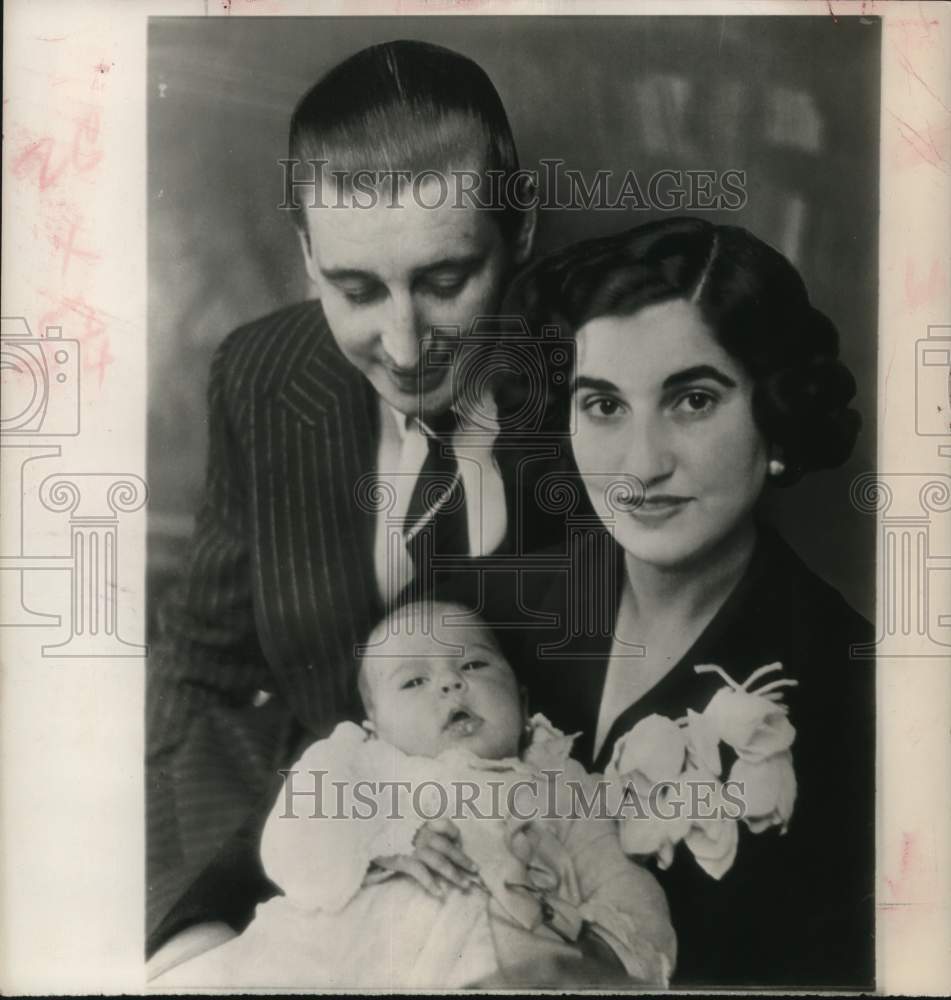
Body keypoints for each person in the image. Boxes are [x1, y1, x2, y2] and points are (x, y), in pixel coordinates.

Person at [146, 39, 546, 958]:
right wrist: (181, 914)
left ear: (520, 230)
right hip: (291, 879)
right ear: (305, 254)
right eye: (355, 289)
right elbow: (199, 668)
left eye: (445, 282)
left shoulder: (605, 397)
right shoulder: (262, 374)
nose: (404, 348)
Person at [487, 217, 875, 988]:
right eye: (603, 405)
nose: (641, 464)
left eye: (692, 400)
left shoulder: (860, 691)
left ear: (775, 415)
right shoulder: (489, 612)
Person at [154, 601, 677, 989]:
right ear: (375, 723)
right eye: (413, 682)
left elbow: (623, 882)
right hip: (338, 954)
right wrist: (389, 839)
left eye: (473, 665)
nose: (450, 683)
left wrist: (607, 953)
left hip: (494, 964)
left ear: (521, 702)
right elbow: (291, 842)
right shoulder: (357, 761)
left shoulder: (557, 783)